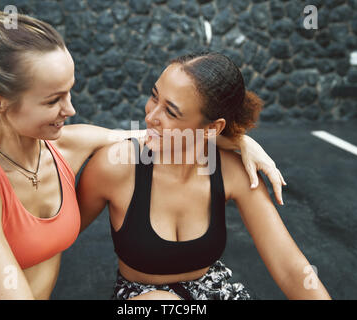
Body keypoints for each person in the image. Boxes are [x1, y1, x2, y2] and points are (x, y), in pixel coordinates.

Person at [0, 11, 285, 300]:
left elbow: (169, 136)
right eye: (52, 100)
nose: (71, 109)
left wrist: (238, 141)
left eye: (69, 92)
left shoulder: (69, 147)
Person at [76, 52, 332, 300]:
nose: (151, 116)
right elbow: (55, 239)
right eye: (154, 97)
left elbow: (290, 266)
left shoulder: (232, 172)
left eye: (171, 112)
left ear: (212, 128)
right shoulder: (115, 167)